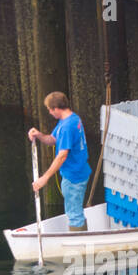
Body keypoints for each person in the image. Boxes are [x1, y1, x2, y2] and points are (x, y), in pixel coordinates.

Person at [27, 91, 92, 232]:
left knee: (74, 214)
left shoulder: (67, 127)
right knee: (74, 210)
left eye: (50, 110)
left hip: (74, 176)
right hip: (78, 171)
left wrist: (45, 178)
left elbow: (62, 155)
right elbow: (53, 139)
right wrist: (39, 135)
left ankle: (79, 248)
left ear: (56, 108)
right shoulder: (70, 119)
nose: (49, 113)